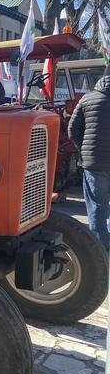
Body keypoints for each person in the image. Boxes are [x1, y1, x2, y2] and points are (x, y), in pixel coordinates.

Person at [68, 75, 110, 250]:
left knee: (97, 207)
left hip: (94, 164)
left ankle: (101, 248)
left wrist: (84, 149)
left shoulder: (87, 99)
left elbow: (72, 130)